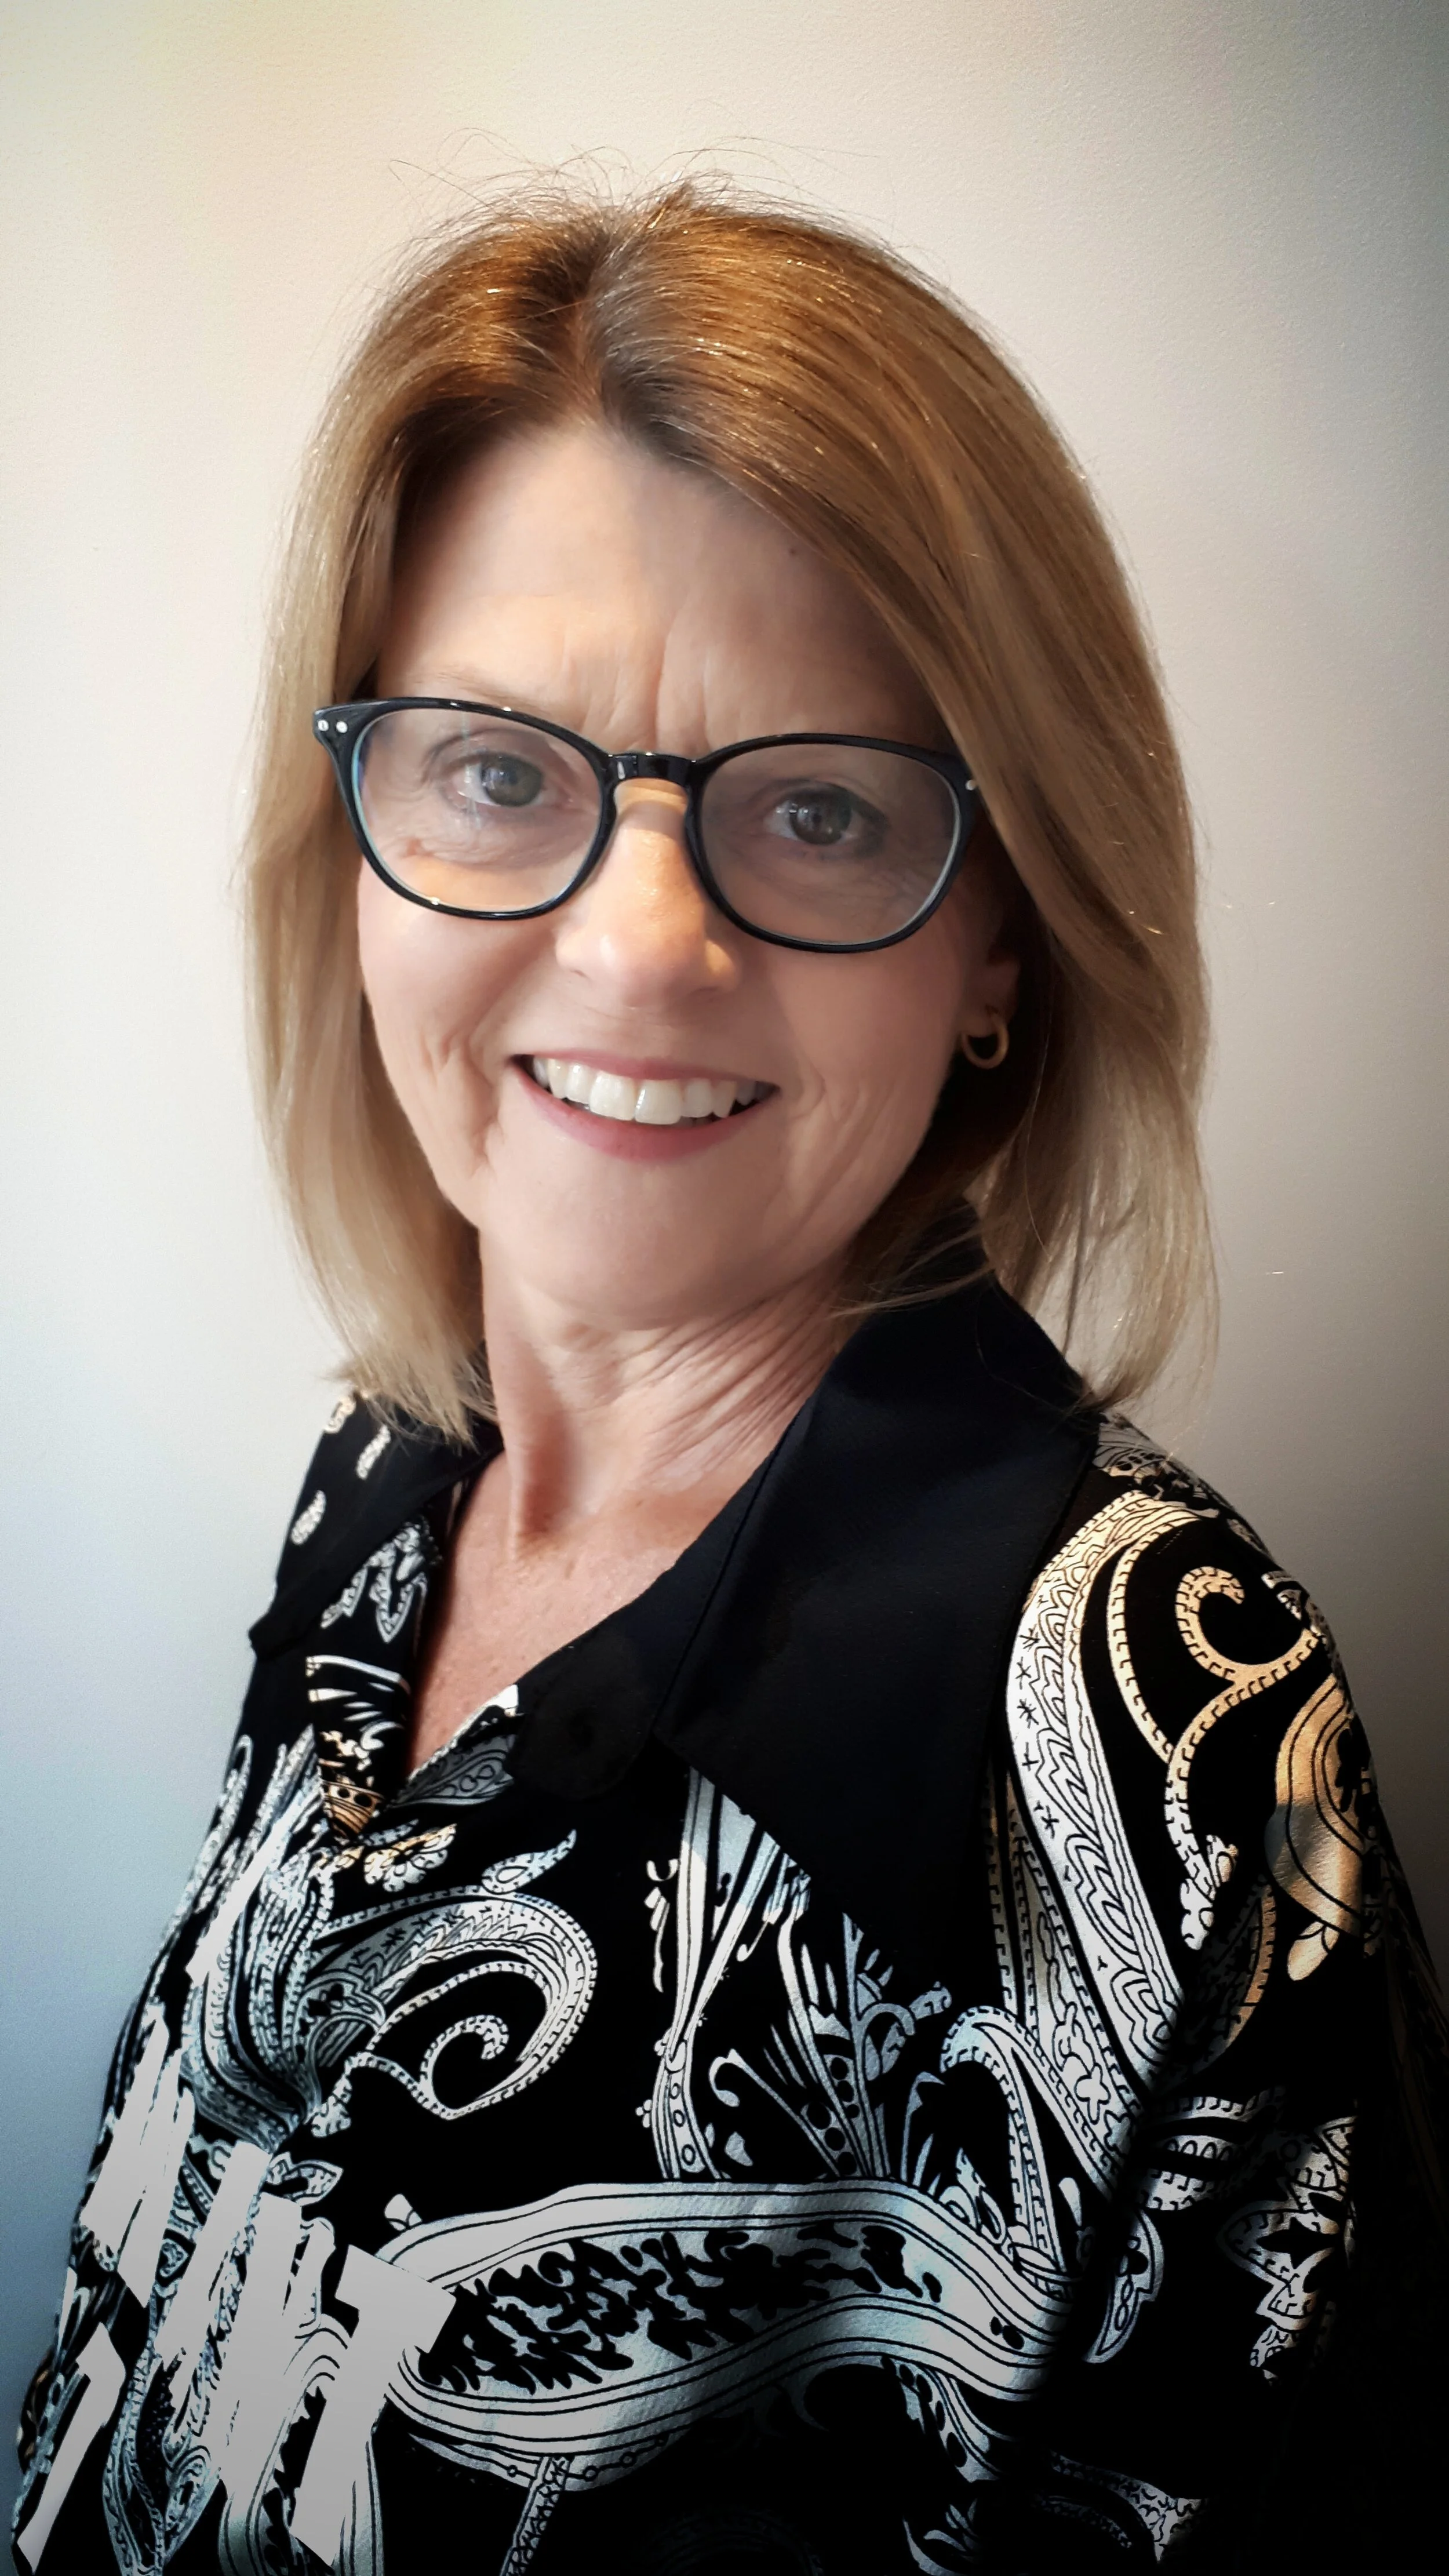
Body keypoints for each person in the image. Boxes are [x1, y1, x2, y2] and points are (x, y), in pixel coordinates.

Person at [13, 183, 1445, 2576]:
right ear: (351, 841)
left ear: (1000, 939)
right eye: (495, 772)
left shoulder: (1163, 1742)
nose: (641, 945)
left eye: (814, 809)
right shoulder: (380, 1480)